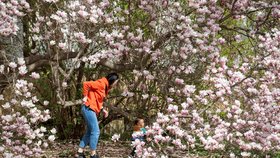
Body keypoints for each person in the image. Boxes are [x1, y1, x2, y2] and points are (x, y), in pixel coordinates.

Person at [77, 73, 119, 158]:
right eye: (116, 82)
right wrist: (85, 96)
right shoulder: (101, 84)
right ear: (112, 80)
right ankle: (93, 154)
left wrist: (103, 109)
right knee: (96, 131)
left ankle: (79, 153)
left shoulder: (105, 87)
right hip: (88, 108)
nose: (116, 84)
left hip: (91, 109)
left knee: (89, 132)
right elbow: (86, 84)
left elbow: (97, 99)